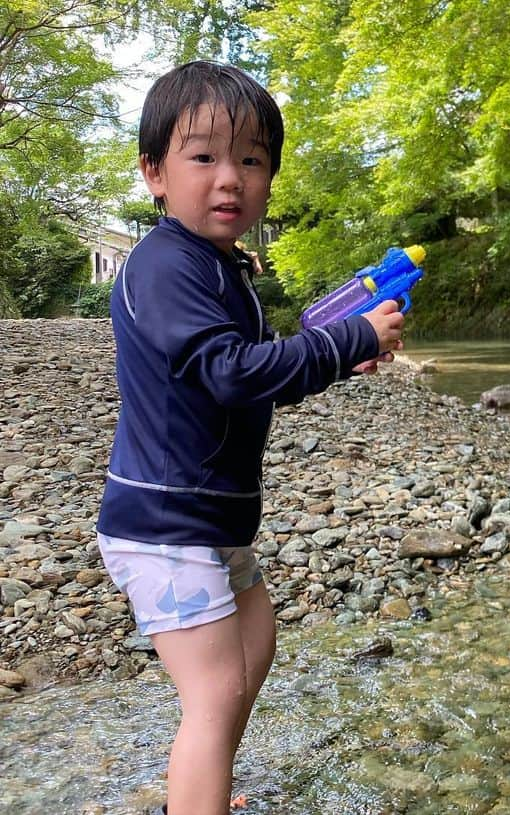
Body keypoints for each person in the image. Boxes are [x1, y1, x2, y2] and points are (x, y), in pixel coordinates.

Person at [95, 60, 404, 815]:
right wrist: (339, 341)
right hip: (164, 521)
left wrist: (340, 354)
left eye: (252, 159)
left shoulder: (224, 268)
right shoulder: (165, 263)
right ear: (154, 173)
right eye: (203, 157)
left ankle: (204, 787)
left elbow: (259, 373)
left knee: (254, 640)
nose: (229, 178)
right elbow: (228, 373)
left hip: (214, 518)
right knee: (216, 687)